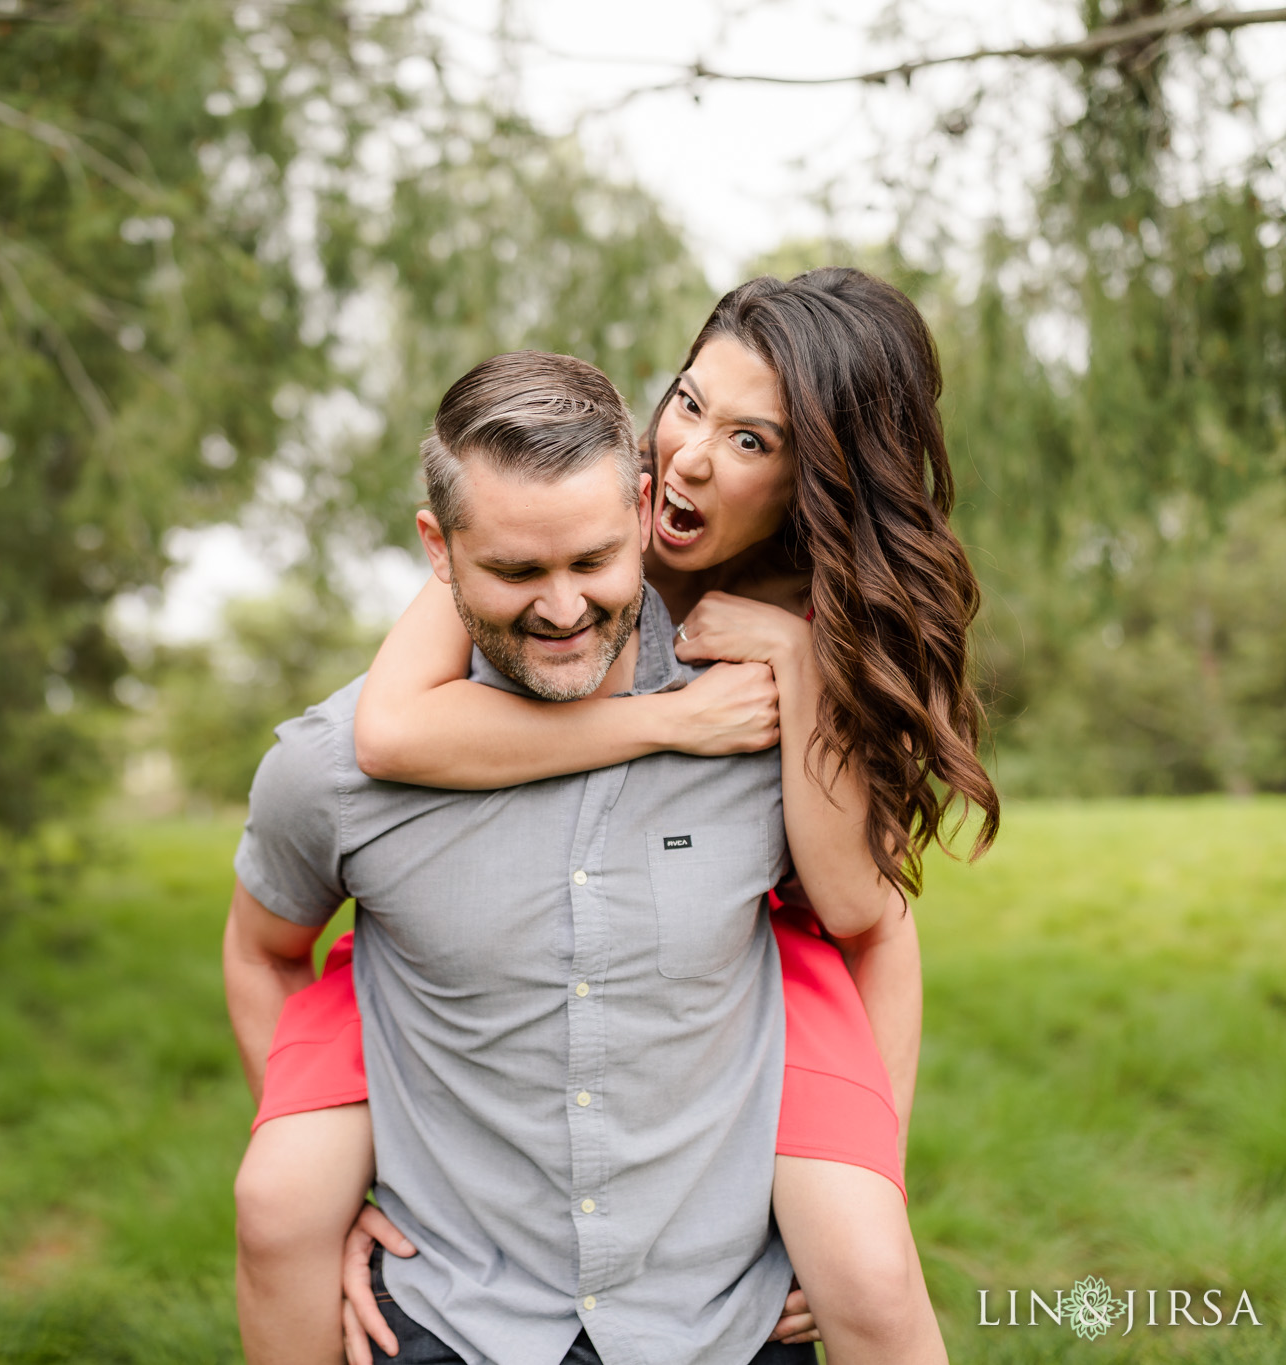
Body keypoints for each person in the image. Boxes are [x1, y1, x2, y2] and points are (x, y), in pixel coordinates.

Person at [229, 271, 999, 1364]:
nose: (686, 457)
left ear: (816, 478)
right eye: (687, 403)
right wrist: (667, 724)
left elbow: (854, 912)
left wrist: (793, 658)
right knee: (279, 1203)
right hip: (447, 946)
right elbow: (389, 739)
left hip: (750, 958)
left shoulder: (815, 620)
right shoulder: (548, 521)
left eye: (749, 442)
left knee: (869, 1272)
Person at [233, 346, 805, 1365]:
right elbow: (262, 951)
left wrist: (842, 1209)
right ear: (437, 549)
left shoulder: (756, 720)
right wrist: (322, 1191)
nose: (558, 609)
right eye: (512, 571)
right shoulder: (328, 772)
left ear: (641, 512)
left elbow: (858, 944)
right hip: (449, 1314)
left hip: (727, 1320)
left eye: (589, 562)